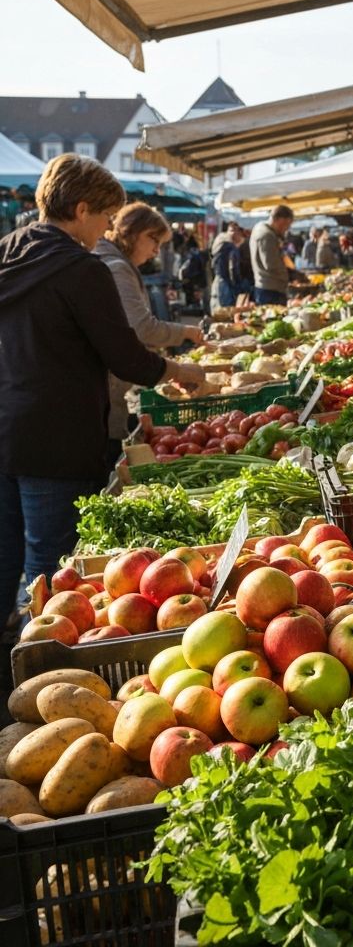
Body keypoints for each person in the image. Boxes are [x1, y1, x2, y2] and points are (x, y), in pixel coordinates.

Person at [0, 155, 205, 630]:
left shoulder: (8, 252)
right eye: (105, 218)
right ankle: (42, 665)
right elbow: (125, 356)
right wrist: (179, 370)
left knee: (6, 550)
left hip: (7, 422)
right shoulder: (80, 267)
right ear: (82, 207)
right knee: (51, 563)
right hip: (59, 433)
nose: (106, 229)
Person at [94, 202, 204, 464]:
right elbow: (141, 328)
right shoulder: (117, 268)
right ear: (131, 232)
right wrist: (186, 333)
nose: (156, 249)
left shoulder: (117, 263)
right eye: (153, 239)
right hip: (103, 394)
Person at [250, 204, 294, 305]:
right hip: (271, 289)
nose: (286, 229)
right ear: (280, 220)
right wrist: (289, 274)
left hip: (266, 286)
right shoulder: (267, 235)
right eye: (286, 225)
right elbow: (271, 264)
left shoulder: (260, 228)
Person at [210, 222, 245, 310]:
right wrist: (238, 285)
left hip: (217, 281)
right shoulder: (231, 247)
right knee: (226, 312)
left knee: (217, 313)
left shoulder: (219, 242)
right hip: (226, 284)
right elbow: (233, 268)